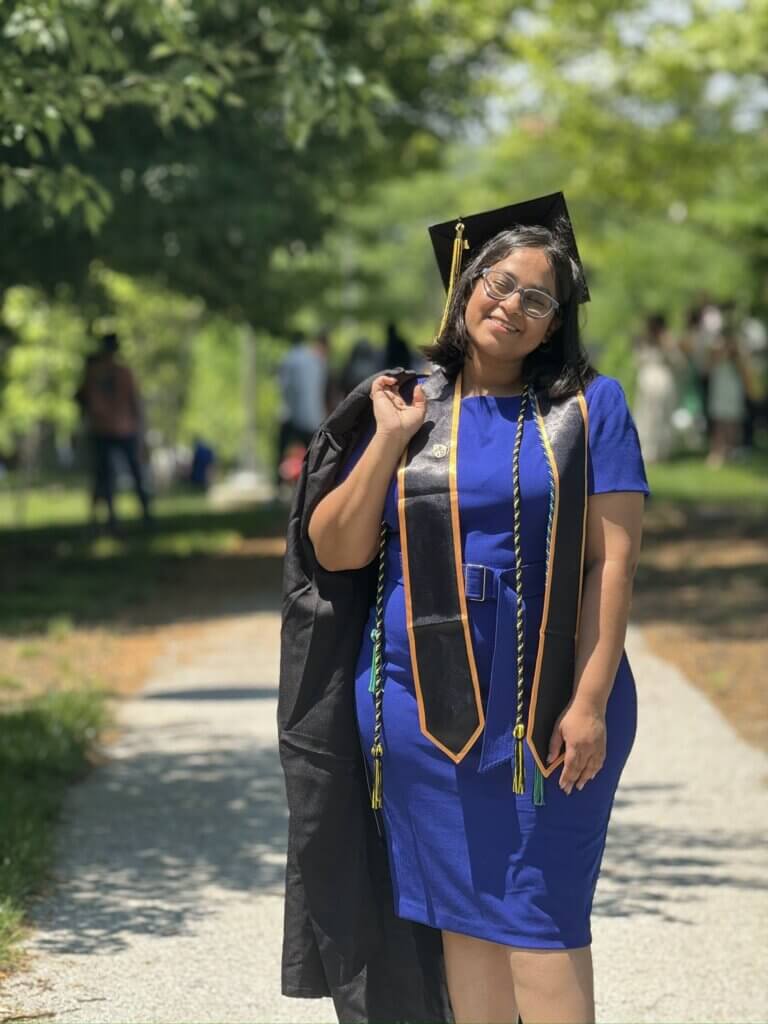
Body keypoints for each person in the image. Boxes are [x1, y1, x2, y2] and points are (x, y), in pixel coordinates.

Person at [279, 192, 649, 1024]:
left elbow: (610, 562)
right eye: (498, 283)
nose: (511, 305)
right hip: (421, 710)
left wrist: (589, 702)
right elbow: (333, 549)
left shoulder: (591, 407)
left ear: (554, 324)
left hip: (550, 707)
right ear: (464, 286)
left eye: (537, 298)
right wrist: (386, 439)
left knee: (544, 923)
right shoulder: (409, 403)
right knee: (465, 932)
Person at [78, 333, 152, 528]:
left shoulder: (97, 372)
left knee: (109, 475)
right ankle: (122, 516)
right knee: (112, 474)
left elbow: (82, 399)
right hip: (116, 428)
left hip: (113, 428)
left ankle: (129, 515)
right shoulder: (112, 372)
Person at [275, 330, 328, 486]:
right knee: (313, 454)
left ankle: (280, 484)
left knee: (283, 450)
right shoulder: (316, 360)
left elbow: (284, 388)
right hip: (314, 416)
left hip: (291, 415)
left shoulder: (288, 359)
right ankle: (313, 483)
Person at [632, 312, 680, 463]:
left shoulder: (668, 341)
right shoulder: (643, 342)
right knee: (646, 415)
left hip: (663, 380)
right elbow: (638, 361)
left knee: (663, 415)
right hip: (647, 380)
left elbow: (678, 362)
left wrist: (668, 345)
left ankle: (662, 451)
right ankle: (647, 451)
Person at [707, 328, 751, 466]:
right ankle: (717, 451)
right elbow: (708, 367)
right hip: (720, 386)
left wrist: (735, 352)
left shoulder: (739, 351)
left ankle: (732, 450)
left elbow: (744, 370)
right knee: (719, 421)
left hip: (733, 387)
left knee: (733, 420)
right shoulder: (716, 348)